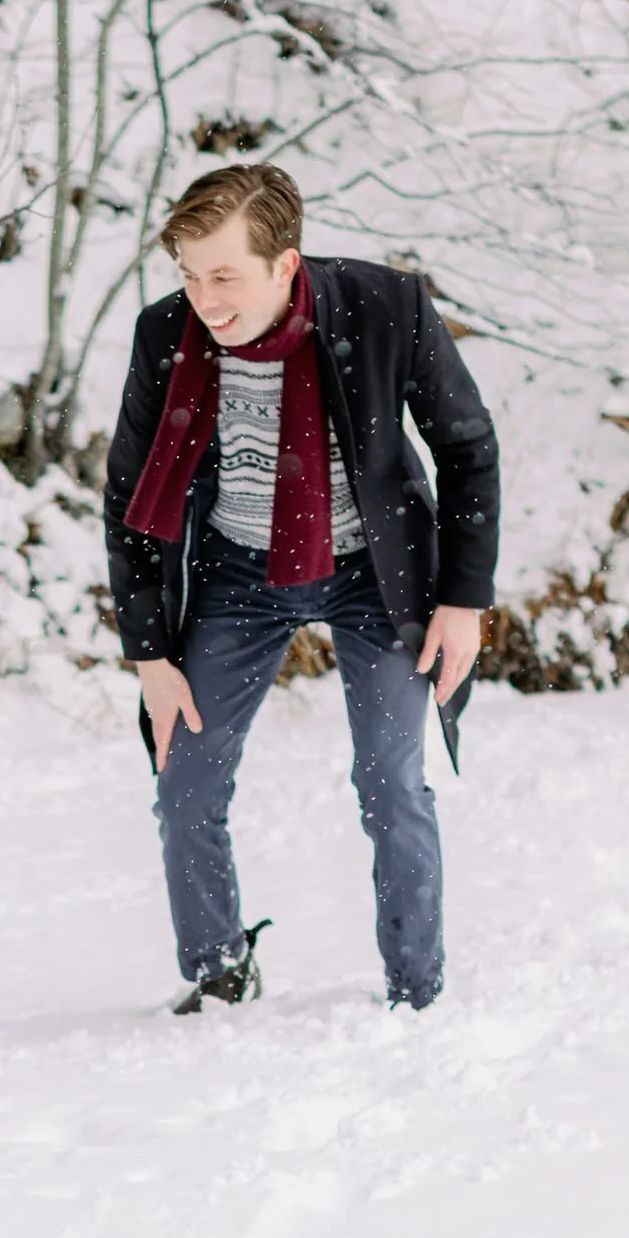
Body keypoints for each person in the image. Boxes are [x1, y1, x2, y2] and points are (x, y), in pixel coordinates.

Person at [101, 164, 500, 1013]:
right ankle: (217, 973)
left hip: (373, 573)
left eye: (224, 276)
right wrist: (150, 654)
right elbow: (131, 497)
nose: (203, 299)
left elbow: (468, 448)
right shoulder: (167, 334)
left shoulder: (385, 307)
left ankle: (415, 989)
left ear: (284, 265)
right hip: (236, 573)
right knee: (187, 779)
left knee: (390, 781)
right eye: (187, 273)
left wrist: (463, 602)